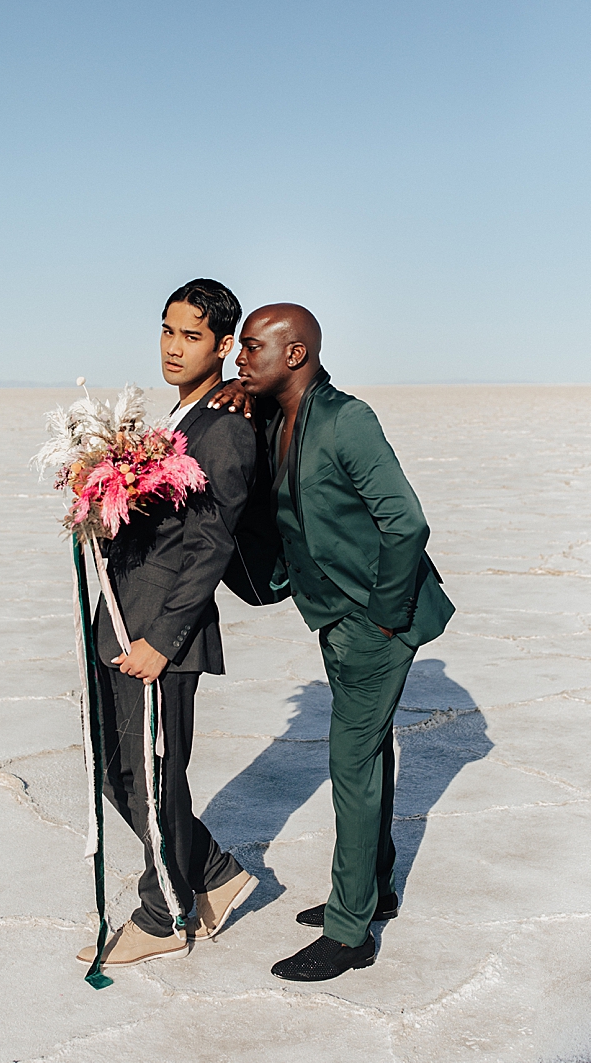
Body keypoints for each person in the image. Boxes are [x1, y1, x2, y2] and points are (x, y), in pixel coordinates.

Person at [232, 305, 454, 982]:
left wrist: (383, 616)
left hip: (374, 621)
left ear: (295, 354)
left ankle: (350, 932)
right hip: (332, 616)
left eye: (251, 348)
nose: (239, 358)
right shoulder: (276, 417)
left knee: (351, 762)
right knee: (369, 757)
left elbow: (406, 522)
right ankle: (375, 889)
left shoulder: (345, 420)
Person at [76, 279, 260, 971]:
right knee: (118, 769)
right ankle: (212, 871)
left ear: (222, 345)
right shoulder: (175, 422)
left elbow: (211, 545)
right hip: (122, 623)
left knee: (153, 774)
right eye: (167, 330)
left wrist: (164, 639)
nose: (175, 347)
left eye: (192, 335)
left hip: (160, 636)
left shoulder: (225, 427)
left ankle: (162, 913)